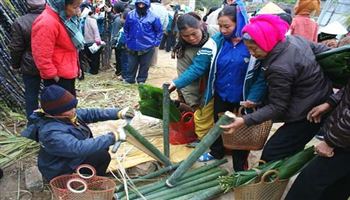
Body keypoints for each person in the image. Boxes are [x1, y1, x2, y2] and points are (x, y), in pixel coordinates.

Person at [221, 14, 333, 163]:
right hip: (319, 98)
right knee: (289, 147)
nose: (252, 54)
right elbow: (325, 52)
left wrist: (244, 120)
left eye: (255, 49)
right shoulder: (294, 40)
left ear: (266, 41)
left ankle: (271, 184)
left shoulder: (279, 68)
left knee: (273, 152)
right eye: (249, 50)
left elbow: (278, 106)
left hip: (308, 112)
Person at [169, 4, 266, 171]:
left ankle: (239, 168)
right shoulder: (217, 42)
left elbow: (262, 74)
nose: (222, 30)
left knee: (239, 134)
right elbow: (197, 67)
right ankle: (217, 152)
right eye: (220, 26)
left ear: (240, 22)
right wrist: (176, 83)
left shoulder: (252, 43)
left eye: (227, 26)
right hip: (221, 95)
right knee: (218, 126)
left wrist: (254, 97)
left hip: (244, 99)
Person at [21, 85, 135, 181]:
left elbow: (92, 113)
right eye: (70, 108)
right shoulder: (51, 132)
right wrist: (112, 137)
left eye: (74, 106)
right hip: (60, 170)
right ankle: (87, 184)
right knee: (101, 155)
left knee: (100, 149)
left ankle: (90, 176)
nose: (74, 110)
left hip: (67, 159)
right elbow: (77, 148)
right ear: (56, 113)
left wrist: (118, 113)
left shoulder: (66, 114)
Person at [285, 39, 350, 200]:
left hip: (344, 143)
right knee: (339, 185)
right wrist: (330, 103)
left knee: (309, 183)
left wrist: (330, 142)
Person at [32, 0, 85, 96]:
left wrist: (77, 67)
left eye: (78, 6)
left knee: (70, 106)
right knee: (61, 109)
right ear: (62, 4)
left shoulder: (65, 19)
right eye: (74, 7)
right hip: (58, 77)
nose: (77, 10)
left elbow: (70, 49)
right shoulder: (46, 22)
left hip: (67, 72)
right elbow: (41, 55)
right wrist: (53, 75)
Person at [9, 0, 46, 119]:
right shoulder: (52, 18)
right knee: (53, 93)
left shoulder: (20, 22)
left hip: (30, 64)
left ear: (27, 5)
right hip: (50, 63)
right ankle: (53, 121)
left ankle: (33, 124)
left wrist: (15, 65)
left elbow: (16, 48)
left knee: (31, 96)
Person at [124, 0, 163, 84]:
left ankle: (141, 80)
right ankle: (130, 79)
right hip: (132, 44)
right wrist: (128, 40)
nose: (141, 6)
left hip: (147, 45)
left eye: (143, 4)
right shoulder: (130, 15)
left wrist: (155, 43)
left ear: (147, 5)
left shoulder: (154, 17)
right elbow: (126, 29)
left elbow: (159, 31)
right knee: (131, 64)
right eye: (139, 4)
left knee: (144, 65)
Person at [149, 0, 169, 67]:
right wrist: (163, 29)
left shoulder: (149, 6)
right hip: (158, 30)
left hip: (148, 29)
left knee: (146, 44)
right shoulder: (163, 8)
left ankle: (145, 62)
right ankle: (153, 63)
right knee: (155, 46)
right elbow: (166, 20)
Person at [84, 10, 103, 75]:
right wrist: (98, 40)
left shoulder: (84, 19)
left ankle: (91, 70)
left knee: (89, 57)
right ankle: (94, 71)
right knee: (95, 57)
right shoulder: (92, 20)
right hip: (93, 41)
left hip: (86, 41)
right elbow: (95, 30)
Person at [111, 2, 126, 76]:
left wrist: (113, 42)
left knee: (119, 58)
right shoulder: (120, 17)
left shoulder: (118, 20)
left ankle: (119, 72)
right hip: (121, 42)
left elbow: (115, 32)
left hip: (118, 42)